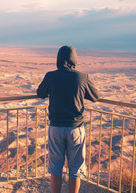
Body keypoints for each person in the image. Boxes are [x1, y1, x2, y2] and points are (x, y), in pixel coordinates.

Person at [37, 45, 100, 193]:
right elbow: (96, 96)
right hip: (75, 128)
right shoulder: (82, 77)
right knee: (75, 168)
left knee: (56, 167)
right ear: (75, 59)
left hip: (56, 128)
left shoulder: (51, 76)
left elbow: (40, 93)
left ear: (58, 59)